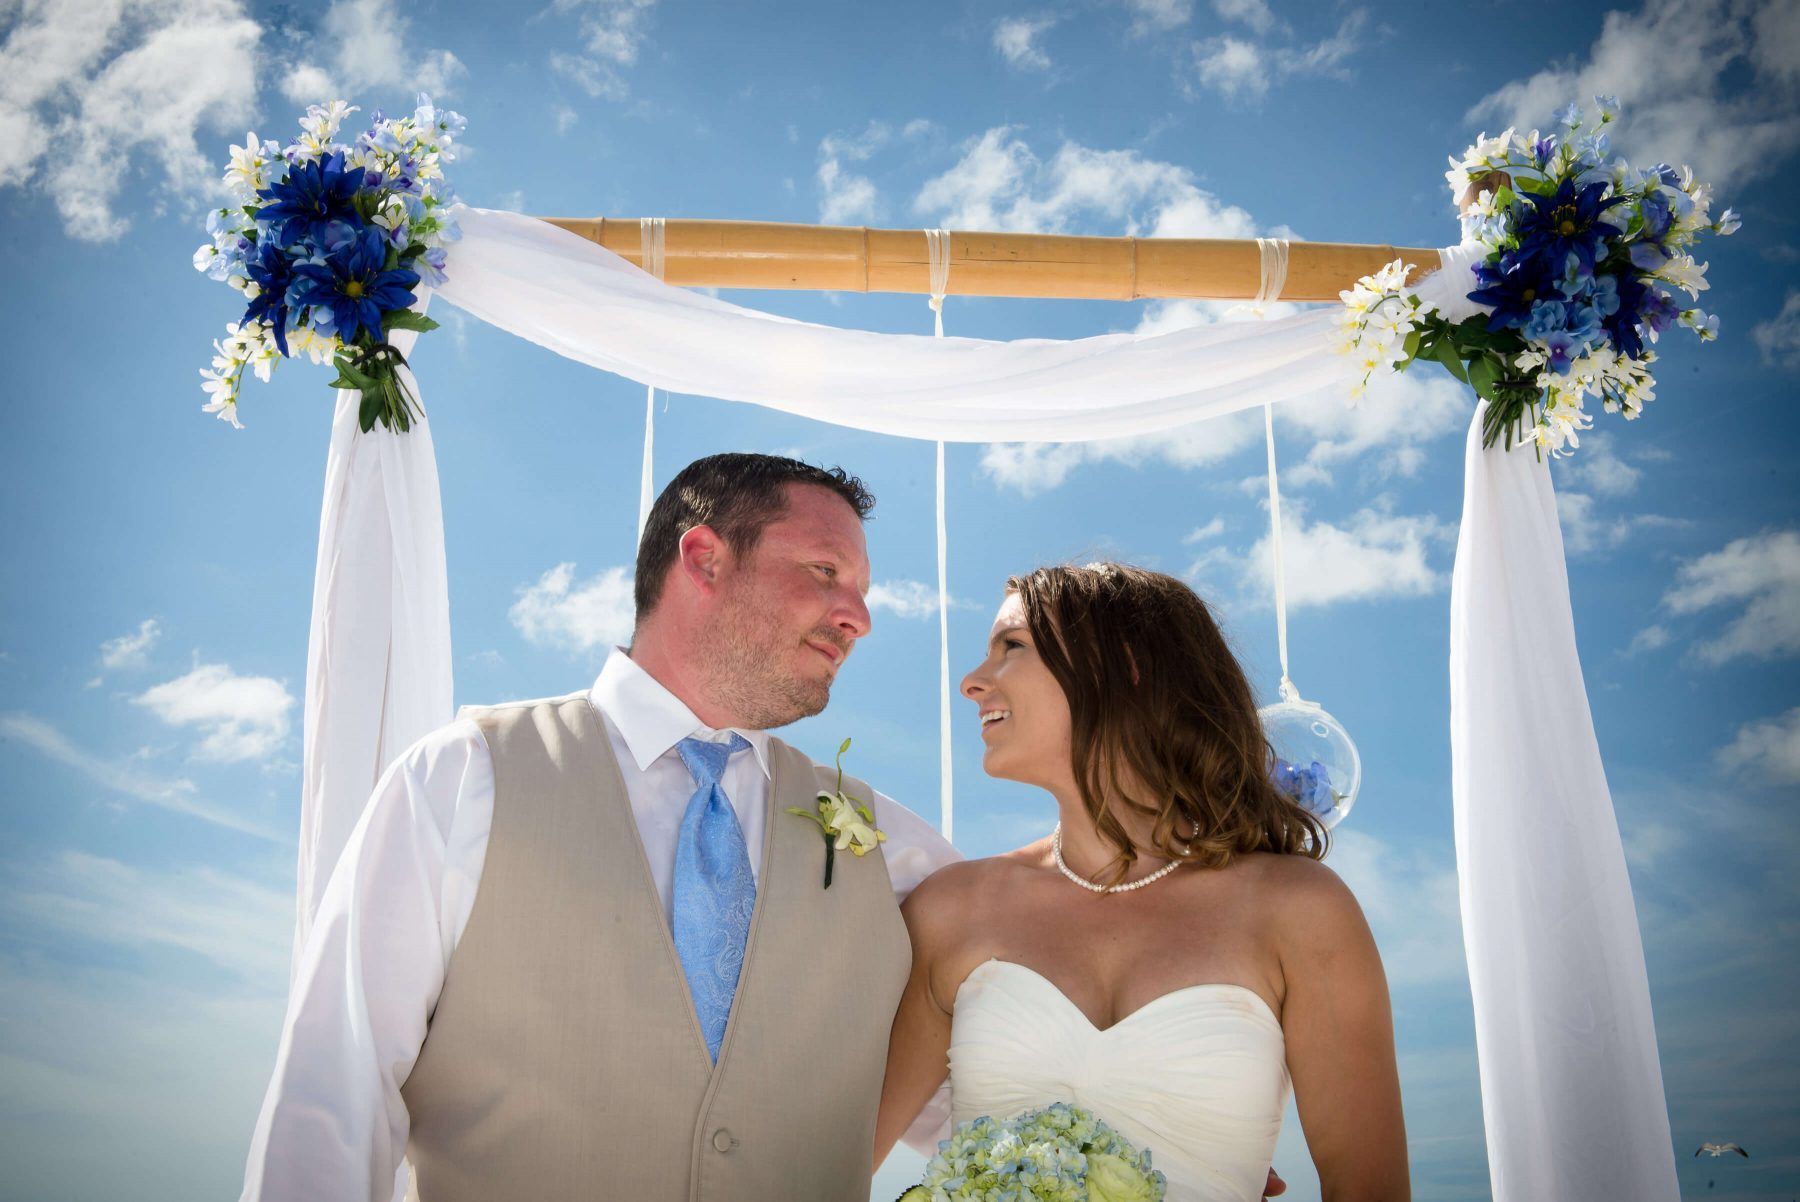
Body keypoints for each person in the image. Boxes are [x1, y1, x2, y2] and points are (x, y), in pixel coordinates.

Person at [239, 453, 960, 1201]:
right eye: (824, 571)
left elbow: (987, 1102)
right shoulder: (463, 779)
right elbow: (334, 1098)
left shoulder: (894, 850)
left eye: (862, 592)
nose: (860, 618)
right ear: (704, 558)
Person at [874, 563, 1408, 1201]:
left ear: (1121, 664)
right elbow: (828, 1158)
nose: (971, 681)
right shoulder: (952, 909)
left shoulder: (1300, 909)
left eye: (1011, 646)